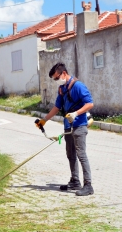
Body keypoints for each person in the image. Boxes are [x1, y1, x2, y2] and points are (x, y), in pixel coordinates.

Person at [35, 62, 94, 196]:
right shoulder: (62, 89)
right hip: (68, 127)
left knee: (81, 154)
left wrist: (75, 114)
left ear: (64, 73)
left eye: (57, 78)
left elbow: (90, 104)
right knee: (70, 154)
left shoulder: (78, 86)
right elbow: (57, 107)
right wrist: (44, 120)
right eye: (54, 79)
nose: (56, 81)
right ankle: (75, 181)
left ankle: (88, 185)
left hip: (79, 125)